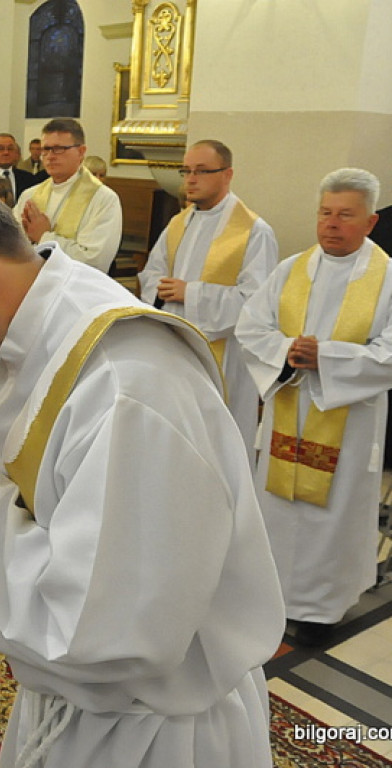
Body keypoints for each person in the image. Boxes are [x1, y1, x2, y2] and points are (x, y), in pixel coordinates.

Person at [0, 170, 284, 768]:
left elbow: (113, 634)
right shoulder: (47, 322)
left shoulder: (129, 383)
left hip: (149, 732)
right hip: (87, 711)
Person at [236, 167, 392, 647]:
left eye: (345, 215)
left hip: (348, 419)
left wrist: (327, 357)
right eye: (325, 213)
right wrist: (287, 354)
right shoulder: (291, 269)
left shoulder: (386, 278)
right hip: (292, 405)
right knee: (281, 508)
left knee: (334, 514)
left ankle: (324, 606)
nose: (331, 224)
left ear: (369, 222)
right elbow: (251, 327)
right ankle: (275, 594)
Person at [140, 140, 278, 458]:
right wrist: (163, 293)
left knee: (218, 446)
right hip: (176, 347)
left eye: (202, 171)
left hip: (225, 357)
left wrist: (192, 293)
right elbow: (151, 276)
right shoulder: (178, 224)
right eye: (186, 170)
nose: (190, 178)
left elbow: (257, 304)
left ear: (227, 175)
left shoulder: (254, 232)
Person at [15, 118, 123, 273]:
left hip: (76, 292)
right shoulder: (30, 195)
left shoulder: (103, 199)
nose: (50, 156)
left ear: (81, 152)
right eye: (46, 149)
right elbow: (10, 245)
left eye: (59, 149)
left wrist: (44, 237)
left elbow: (94, 261)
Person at [0, 133, 36, 205]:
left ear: (16, 152)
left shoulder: (28, 178)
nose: (6, 152)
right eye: (0, 149)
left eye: (10, 149)